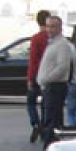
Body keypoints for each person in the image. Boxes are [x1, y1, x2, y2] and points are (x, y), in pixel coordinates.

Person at [35, 15, 72, 151]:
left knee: (52, 122)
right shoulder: (53, 43)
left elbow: (63, 67)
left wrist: (46, 79)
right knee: (49, 121)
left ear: (60, 28)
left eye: (53, 26)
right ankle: (50, 150)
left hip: (55, 87)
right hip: (49, 87)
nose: (49, 29)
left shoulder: (62, 44)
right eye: (48, 26)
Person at [25, 9, 50, 143]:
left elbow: (33, 60)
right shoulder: (52, 38)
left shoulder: (36, 38)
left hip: (36, 74)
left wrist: (30, 78)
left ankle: (36, 123)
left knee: (30, 102)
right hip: (49, 75)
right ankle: (45, 128)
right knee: (45, 104)